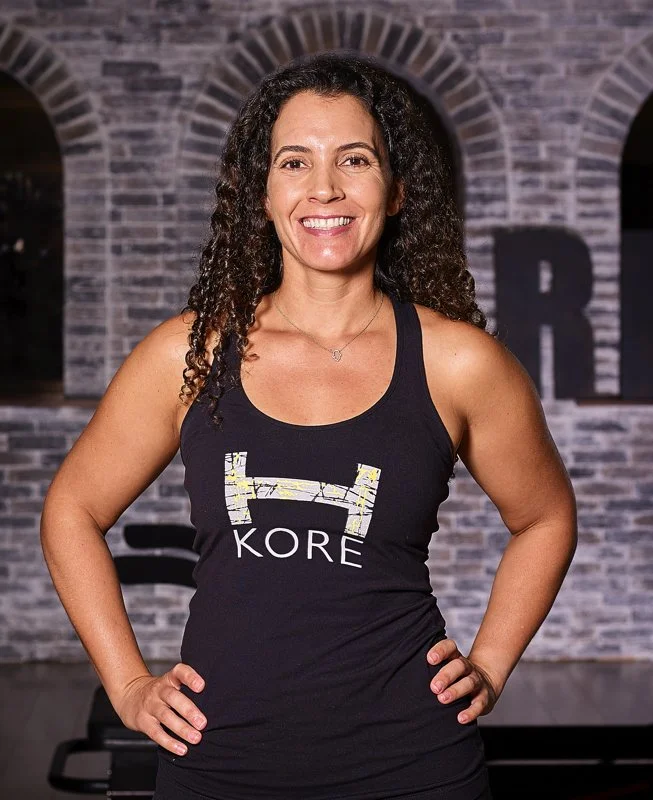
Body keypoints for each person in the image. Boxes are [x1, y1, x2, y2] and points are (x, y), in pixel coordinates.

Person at [41, 52, 578, 800]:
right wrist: (129, 683)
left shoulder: (457, 363)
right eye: (294, 162)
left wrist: (488, 662)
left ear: (394, 192)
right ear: (261, 194)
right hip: (219, 756)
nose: (323, 188)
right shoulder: (190, 354)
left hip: (411, 762)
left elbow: (545, 517)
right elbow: (72, 510)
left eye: (353, 159)